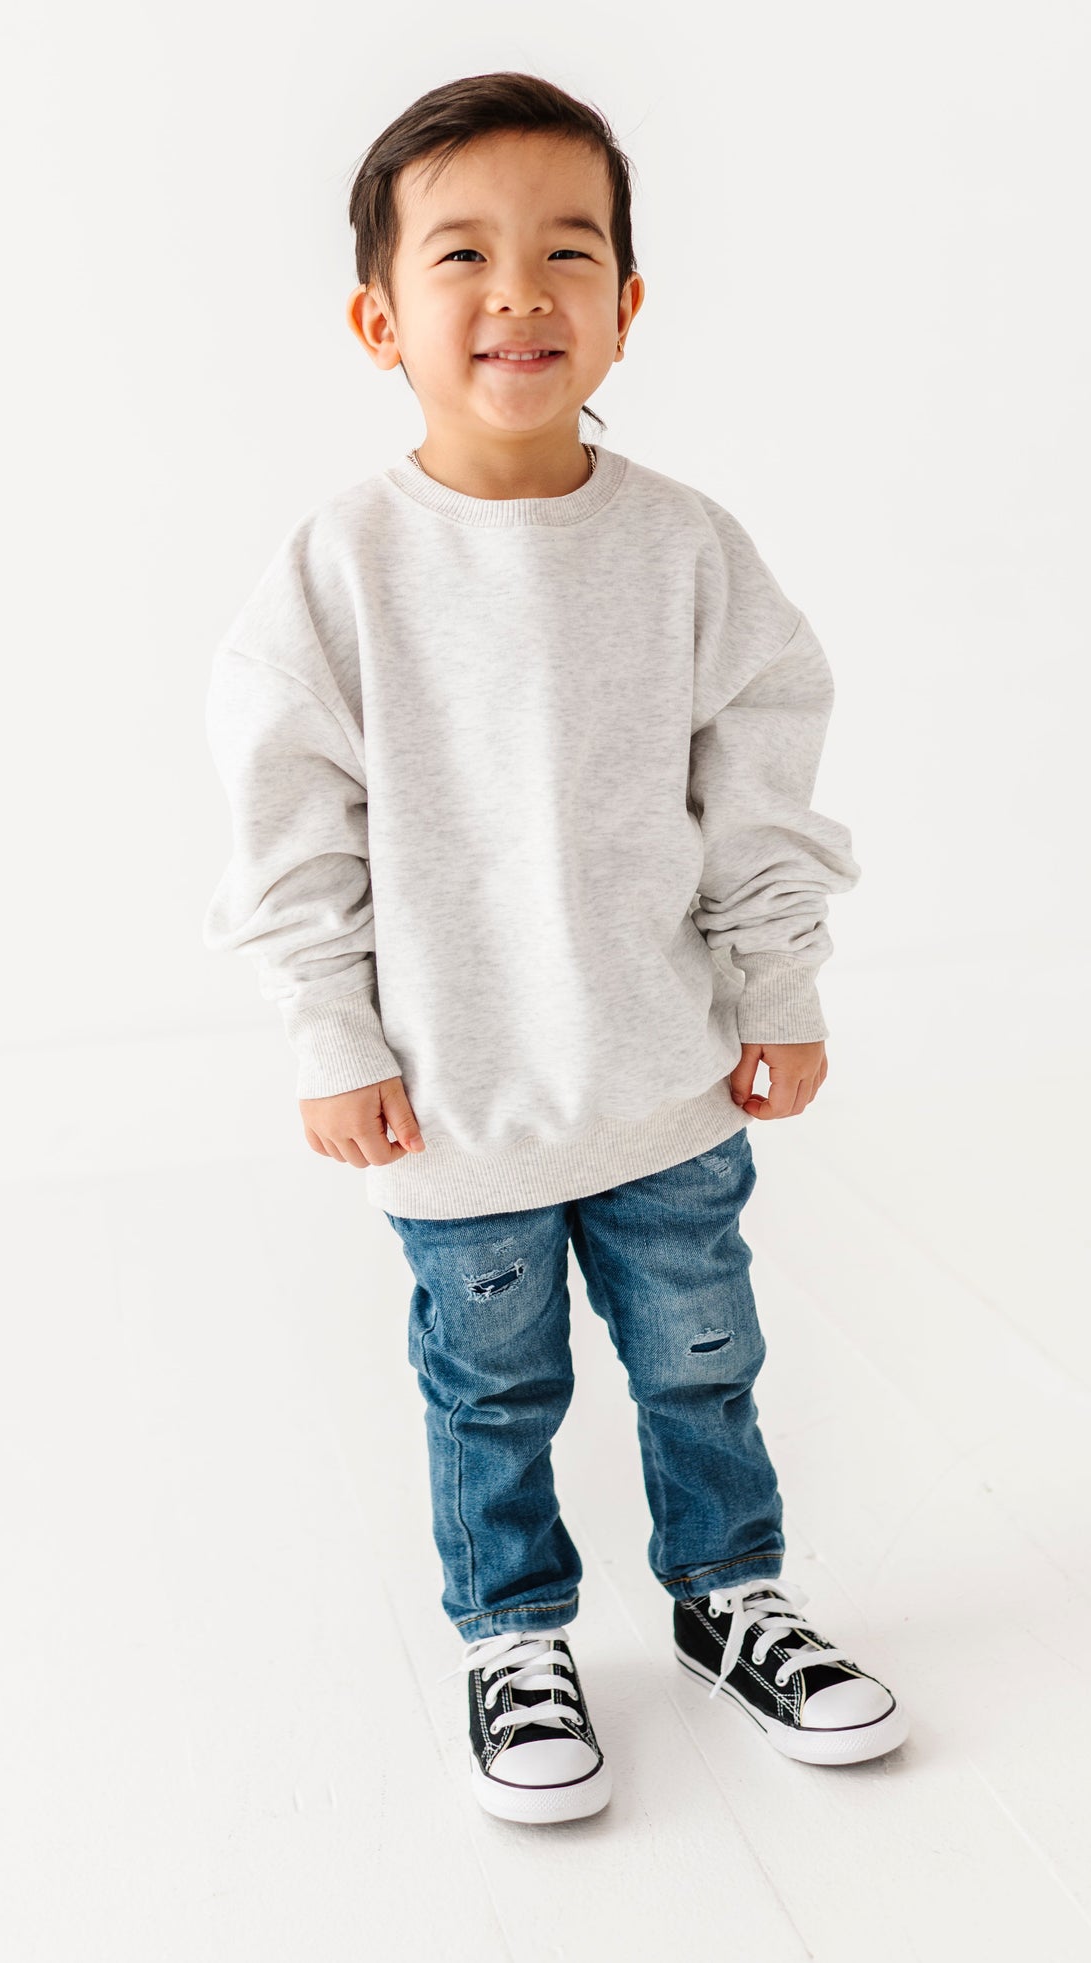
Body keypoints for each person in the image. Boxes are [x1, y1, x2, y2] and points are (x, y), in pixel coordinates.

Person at [201, 70, 908, 1826]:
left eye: (564, 251)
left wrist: (778, 982)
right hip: (454, 1100)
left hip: (664, 1078)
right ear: (381, 316)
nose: (517, 289)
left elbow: (759, 775)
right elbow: (292, 825)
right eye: (462, 254)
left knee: (703, 1358)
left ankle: (729, 1594)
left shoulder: (683, 550)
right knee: (490, 1391)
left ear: (623, 308)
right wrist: (328, 1032)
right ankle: (513, 1633)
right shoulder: (339, 570)